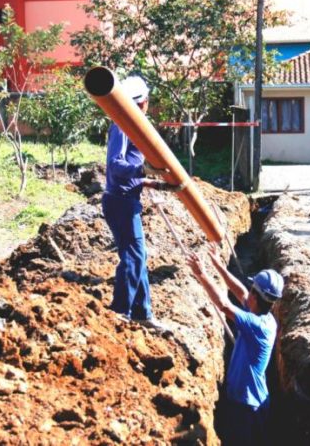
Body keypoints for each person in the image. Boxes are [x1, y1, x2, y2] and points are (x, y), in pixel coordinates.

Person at [187, 245, 283, 446]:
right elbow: (239, 291)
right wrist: (218, 264)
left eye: (252, 290)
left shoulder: (256, 325)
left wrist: (202, 274)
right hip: (249, 400)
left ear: (256, 296)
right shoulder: (265, 317)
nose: (248, 293)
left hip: (247, 406)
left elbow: (224, 305)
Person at [102, 74, 176, 332]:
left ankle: (142, 312)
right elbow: (115, 165)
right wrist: (144, 170)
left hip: (126, 199)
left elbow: (128, 172)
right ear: (143, 102)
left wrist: (152, 182)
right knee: (134, 257)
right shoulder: (122, 126)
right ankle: (120, 311)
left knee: (137, 256)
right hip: (119, 203)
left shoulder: (133, 125)